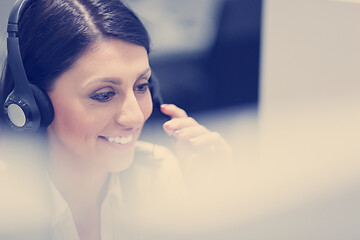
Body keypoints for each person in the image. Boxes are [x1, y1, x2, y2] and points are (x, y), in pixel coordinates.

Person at [0, 0, 232, 239]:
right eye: (103, 95)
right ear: (33, 103)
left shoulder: (157, 174)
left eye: (141, 86)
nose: (134, 117)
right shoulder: (7, 202)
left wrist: (212, 199)